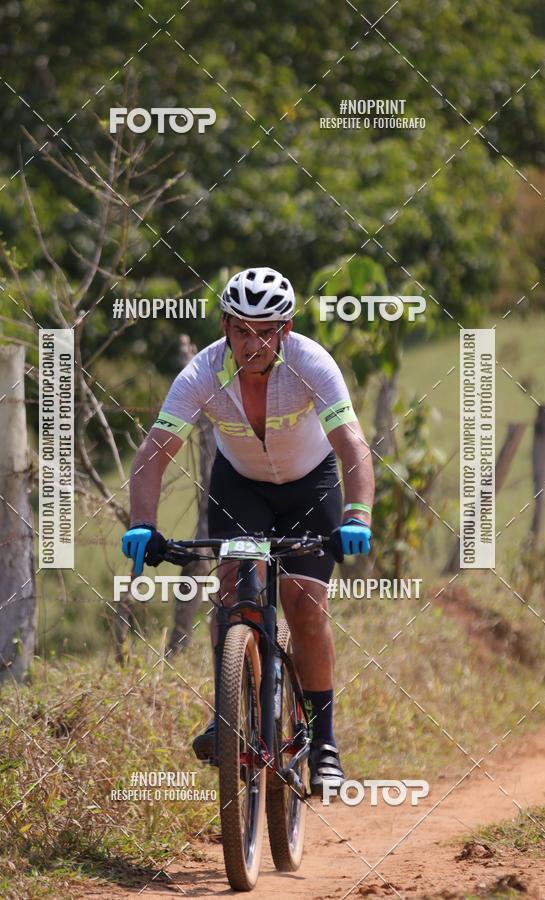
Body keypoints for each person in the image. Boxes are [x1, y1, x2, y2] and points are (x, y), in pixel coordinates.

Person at [122, 267, 374, 795]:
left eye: (265, 331)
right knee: (233, 589)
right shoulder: (201, 372)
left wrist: (357, 516)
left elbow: (352, 446)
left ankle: (324, 743)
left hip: (312, 485)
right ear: (225, 327)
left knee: (304, 602)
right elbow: (153, 456)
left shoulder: (310, 364)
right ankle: (228, 713)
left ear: (285, 330)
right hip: (241, 486)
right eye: (241, 330)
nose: (252, 343)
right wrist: (143, 524)